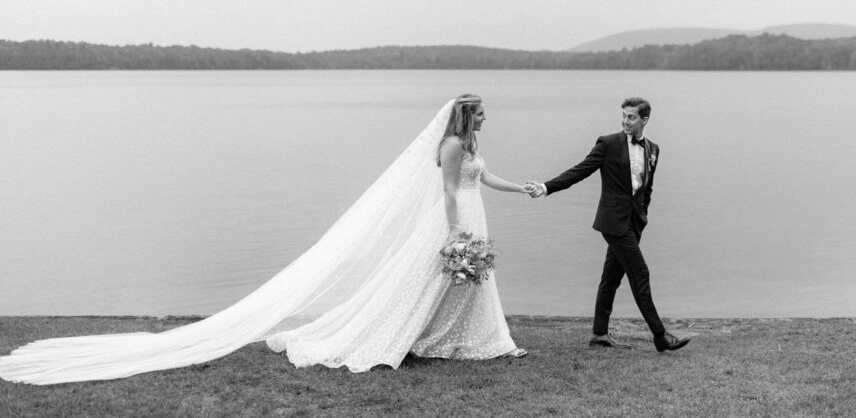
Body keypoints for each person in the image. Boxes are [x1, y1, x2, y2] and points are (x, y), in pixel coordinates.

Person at [0, 95, 528, 385]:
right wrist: (457, 230)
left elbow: (486, 178)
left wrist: (526, 187)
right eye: (481, 113)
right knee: (435, 281)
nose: (486, 119)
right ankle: (429, 338)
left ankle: (473, 339)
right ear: (466, 116)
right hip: (458, 220)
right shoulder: (453, 145)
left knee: (471, 284)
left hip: (473, 214)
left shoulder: (473, 145)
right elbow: (450, 190)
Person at [526, 97, 691, 352]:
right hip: (613, 222)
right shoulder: (608, 143)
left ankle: (599, 334)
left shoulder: (653, 149)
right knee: (640, 274)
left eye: (631, 117)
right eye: (624, 115)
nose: (625, 121)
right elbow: (579, 171)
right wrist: (546, 187)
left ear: (644, 120)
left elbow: (647, 189)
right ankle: (660, 336)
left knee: (611, 278)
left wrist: (642, 217)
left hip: (634, 224)